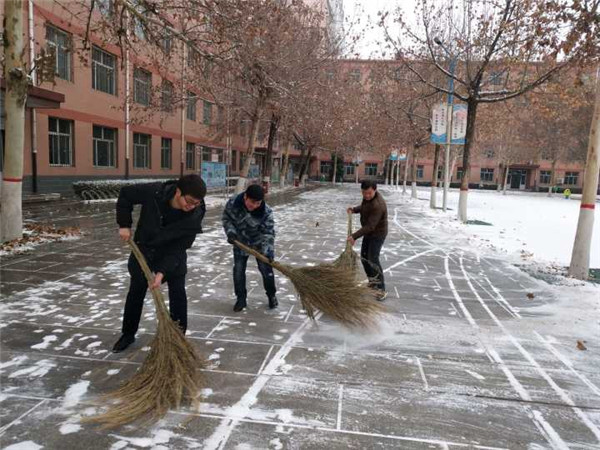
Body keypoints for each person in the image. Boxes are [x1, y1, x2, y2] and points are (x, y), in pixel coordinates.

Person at [112, 174, 206, 353]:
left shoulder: (195, 214)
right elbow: (125, 194)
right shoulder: (155, 191)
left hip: (173, 254)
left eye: (197, 203)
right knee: (136, 292)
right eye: (190, 201)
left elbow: (180, 247)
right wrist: (124, 224)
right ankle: (128, 334)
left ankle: (178, 337)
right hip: (145, 249)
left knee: (178, 293)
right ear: (178, 191)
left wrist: (162, 272)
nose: (192, 206)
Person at [222, 184, 277, 312]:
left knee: (266, 270)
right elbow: (226, 219)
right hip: (240, 241)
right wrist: (231, 232)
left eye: (258, 203)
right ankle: (241, 299)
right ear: (245, 196)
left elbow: (268, 233)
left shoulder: (266, 212)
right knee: (238, 271)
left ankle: (271, 295)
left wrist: (267, 250)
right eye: (252, 202)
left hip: (259, 243)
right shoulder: (233, 204)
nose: (255, 206)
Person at [347, 179, 388, 300]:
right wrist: (354, 209)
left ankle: (381, 289)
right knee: (365, 257)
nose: (366, 196)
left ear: (375, 190)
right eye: (364, 193)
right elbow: (365, 206)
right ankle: (372, 281)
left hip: (378, 234)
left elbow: (370, 226)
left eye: (369, 193)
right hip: (369, 233)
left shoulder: (378, 205)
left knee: (373, 259)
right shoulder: (368, 199)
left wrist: (354, 236)